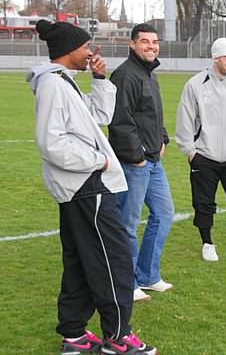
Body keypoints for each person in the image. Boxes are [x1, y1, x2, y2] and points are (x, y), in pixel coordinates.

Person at [27, 19, 156, 355]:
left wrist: (99, 79)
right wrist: (96, 161)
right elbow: (50, 142)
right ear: (69, 50)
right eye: (85, 47)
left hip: (81, 186)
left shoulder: (64, 83)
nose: (90, 53)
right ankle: (117, 337)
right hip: (87, 185)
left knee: (81, 261)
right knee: (113, 260)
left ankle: (73, 335)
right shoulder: (54, 86)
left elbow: (99, 115)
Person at [175, 37, 226, 263]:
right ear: (217, 58)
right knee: (203, 204)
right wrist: (191, 152)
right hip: (204, 157)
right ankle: (207, 244)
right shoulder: (195, 84)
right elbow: (185, 120)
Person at [109, 23, 175, 303]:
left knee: (164, 214)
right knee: (128, 223)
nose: (152, 46)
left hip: (153, 161)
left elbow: (153, 115)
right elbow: (120, 122)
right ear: (132, 44)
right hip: (134, 164)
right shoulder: (125, 75)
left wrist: (162, 138)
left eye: (155, 41)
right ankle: (128, 282)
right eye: (145, 42)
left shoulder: (148, 74)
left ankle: (147, 275)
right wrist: (136, 157)